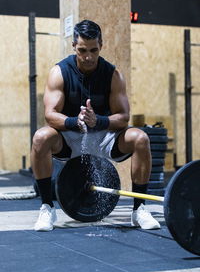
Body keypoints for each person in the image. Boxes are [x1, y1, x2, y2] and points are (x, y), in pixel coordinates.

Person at [31, 20, 160, 232]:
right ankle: (47, 207)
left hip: (105, 136)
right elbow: (50, 115)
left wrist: (98, 121)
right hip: (71, 137)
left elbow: (124, 117)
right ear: (74, 46)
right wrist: (75, 121)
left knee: (141, 138)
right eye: (82, 50)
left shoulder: (113, 74)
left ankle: (139, 210)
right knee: (40, 137)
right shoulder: (59, 72)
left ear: (101, 45)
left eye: (94, 50)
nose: (88, 56)